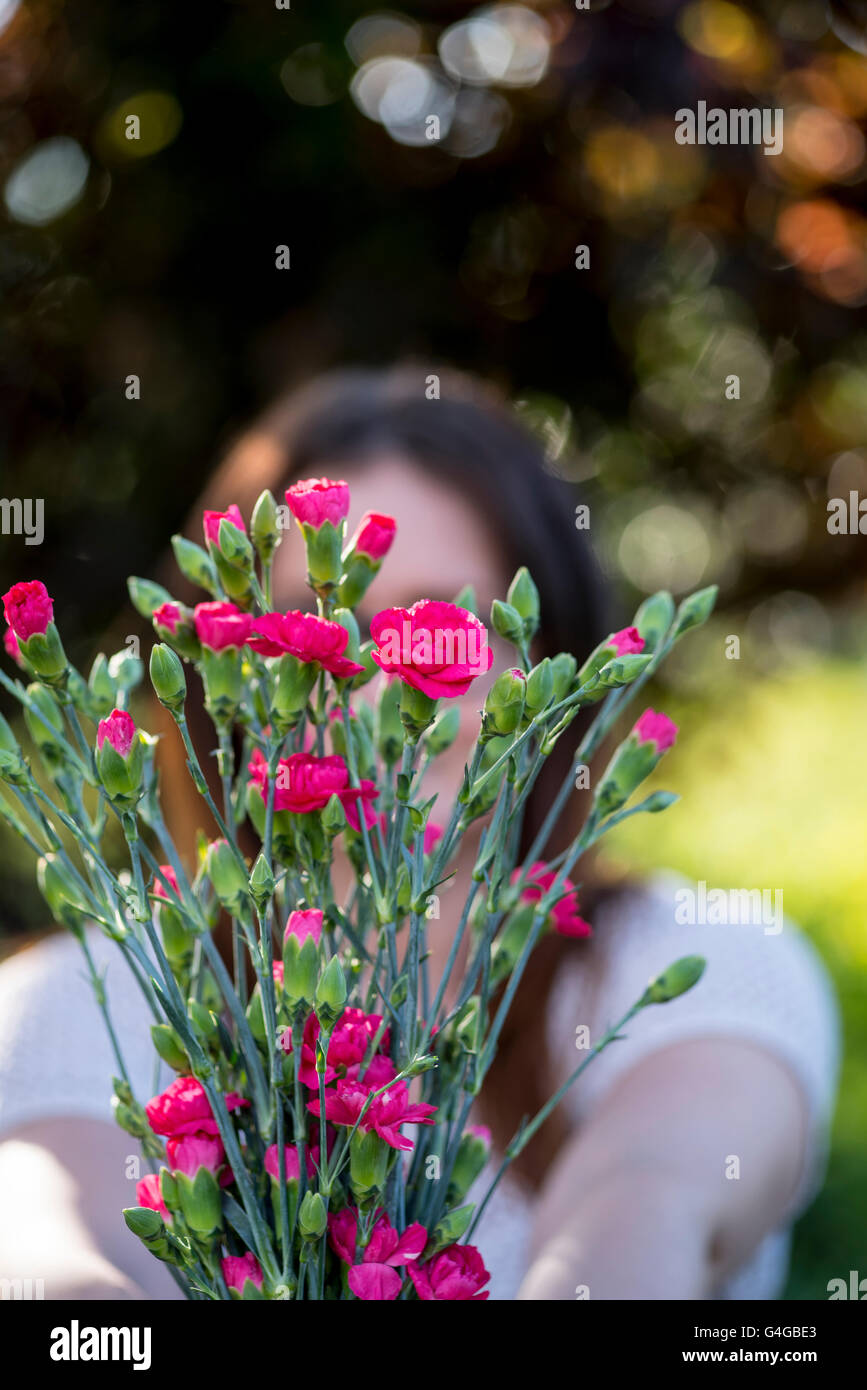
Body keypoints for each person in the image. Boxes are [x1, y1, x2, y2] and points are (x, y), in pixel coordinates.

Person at [0, 367, 840, 1300]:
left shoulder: (707, 961)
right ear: (229, 680)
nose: (384, 685)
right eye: (330, 629)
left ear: (552, 666)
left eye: (452, 624)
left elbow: (650, 1202)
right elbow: (50, 1255)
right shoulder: (90, 1000)